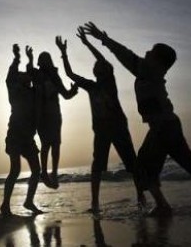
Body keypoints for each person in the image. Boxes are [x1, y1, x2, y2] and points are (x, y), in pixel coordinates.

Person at [82, 22, 191, 216]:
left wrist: (103, 39)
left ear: (158, 62)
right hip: (169, 126)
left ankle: (162, 205)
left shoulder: (150, 71)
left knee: (142, 166)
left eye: (151, 52)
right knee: (188, 162)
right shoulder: (151, 71)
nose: (147, 52)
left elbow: (125, 54)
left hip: (163, 127)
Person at [55, 29, 145, 213]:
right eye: (97, 66)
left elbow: (102, 58)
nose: (99, 66)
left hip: (118, 126)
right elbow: (70, 74)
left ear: (106, 70)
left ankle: (141, 196)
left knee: (132, 164)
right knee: (97, 166)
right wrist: (63, 53)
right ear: (95, 72)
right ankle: (94, 203)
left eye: (101, 65)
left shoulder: (109, 82)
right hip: (101, 130)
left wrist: (87, 43)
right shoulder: (91, 86)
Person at [0, 44, 43, 216]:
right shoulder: (15, 91)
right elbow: (10, 77)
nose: (28, 76)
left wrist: (31, 59)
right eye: (24, 75)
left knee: (36, 170)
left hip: (28, 138)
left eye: (28, 75)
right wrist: (17, 58)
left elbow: (33, 73)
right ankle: (5, 205)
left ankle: (28, 201)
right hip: (15, 136)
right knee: (15, 170)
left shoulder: (33, 92)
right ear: (19, 79)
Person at [26, 45, 78, 188]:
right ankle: (44, 172)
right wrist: (29, 58)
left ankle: (54, 173)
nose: (45, 62)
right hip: (42, 116)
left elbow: (66, 95)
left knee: (56, 144)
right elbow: (28, 70)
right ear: (39, 62)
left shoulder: (55, 76)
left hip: (55, 115)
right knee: (46, 145)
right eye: (42, 59)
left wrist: (73, 90)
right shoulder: (36, 75)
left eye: (47, 59)